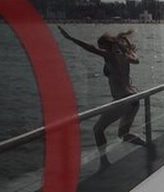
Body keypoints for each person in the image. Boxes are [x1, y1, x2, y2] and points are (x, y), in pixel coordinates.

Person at [58, 26, 146, 168]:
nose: (102, 50)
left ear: (106, 46)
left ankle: (104, 163)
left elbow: (91, 48)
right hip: (133, 98)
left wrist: (70, 38)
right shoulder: (126, 56)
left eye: (103, 47)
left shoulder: (110, 55)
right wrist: (128, 50)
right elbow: (136, 60)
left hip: (123, 99)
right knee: (123, 134)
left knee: (98, 129)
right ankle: (147, 144)